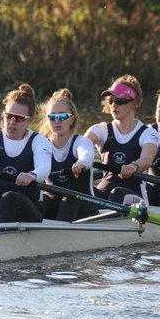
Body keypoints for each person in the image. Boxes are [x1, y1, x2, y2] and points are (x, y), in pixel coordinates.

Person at [0, 84, 52, 222]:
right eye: (9, 116)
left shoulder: (40, 141)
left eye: (18, 118)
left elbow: (44, 168)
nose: (12, 122)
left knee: (10, 197)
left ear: (30, 120)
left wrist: (32, 175)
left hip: (28, 210)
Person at [84, 75, 158, 205]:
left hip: (135, 197)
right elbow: (81, 145)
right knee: (83, 192)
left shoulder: (148, 133)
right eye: (111, 100)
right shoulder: (101, 130)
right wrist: (81, 160)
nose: (114, 105)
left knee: (117, 193)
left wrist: (134, 166)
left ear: (134, 103)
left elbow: (147, 158)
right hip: (105, 191)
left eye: (120, 100)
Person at [38, 88, 98, 221]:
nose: (57, 121)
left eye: (63, 116)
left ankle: (58, 231)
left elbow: (86, 155)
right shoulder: (42, 146)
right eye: (52, 117)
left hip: (84, 208)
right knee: (41, 200)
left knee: (70, 198)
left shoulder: (81, 142)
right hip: (56, 205)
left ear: (72, 119)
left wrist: (81, 163)